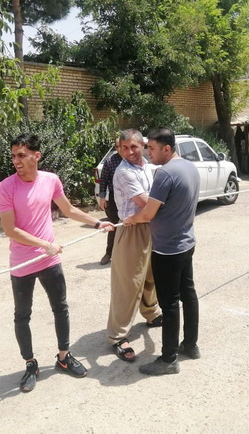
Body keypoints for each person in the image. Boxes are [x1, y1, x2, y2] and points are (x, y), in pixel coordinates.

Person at [0, 133, 114, 392]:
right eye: (13, 156)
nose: (16, 161)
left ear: (36, 156)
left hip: (49, 261)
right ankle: (30, 364)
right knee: (22, 315)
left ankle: (63, 357)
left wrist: (97, 223)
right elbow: (10, 230)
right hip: (22, 263)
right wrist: (45, 245)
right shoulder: (5, 187)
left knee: (60, 308)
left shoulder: (51, 180)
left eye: (22, 155)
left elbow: (68, 209)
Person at [124, 127, 201, 376]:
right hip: (186, 243)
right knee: (188, 294)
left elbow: (148, 213)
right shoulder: (189, 167)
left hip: (167, 250)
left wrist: (131, 219)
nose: (148, 152)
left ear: (167, 149)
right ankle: (190, 345)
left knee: (169, 304)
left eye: (152, 148)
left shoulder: (165, 174)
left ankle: (169, 359)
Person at [107, 129, 161, 362]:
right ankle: (118, 336)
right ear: (119, 149)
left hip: (152, 226)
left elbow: (153, 206)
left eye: (134, 147)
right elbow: (146, 203)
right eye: (124, 148)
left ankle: (151, 314)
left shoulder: (148, 167)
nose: (129, 152)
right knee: (128, 284)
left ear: (143, 146)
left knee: (150, 275)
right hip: (131, 230)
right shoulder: (123, 172)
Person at [98, 138, 122, 265]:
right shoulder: (110, 161)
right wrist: (102, 197)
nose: (119, 149)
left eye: (121, 146)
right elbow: (103, 180)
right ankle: (109, 253)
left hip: (131, 198)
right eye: (117, 146)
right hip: (114, 197)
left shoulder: (132, 159)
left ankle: (126, 255)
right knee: (113, 225)